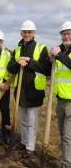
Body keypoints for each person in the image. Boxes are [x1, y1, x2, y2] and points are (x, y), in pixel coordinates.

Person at [7, 20, 51, 158]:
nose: (27, 34)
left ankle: (30, 148)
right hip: (20, 91)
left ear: (33, 33)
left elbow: (47, 69)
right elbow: (10, 67)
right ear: (21, 33)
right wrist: (17, 62)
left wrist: (30, 61)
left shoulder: (41, 48)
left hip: (34, 91)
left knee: (31, 121)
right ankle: (24, 142)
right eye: (24, 32)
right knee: (22, 120)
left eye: (29, 32)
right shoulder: (17, 49)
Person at [50, 21, 71, 168]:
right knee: (63, 135)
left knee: (68, 138)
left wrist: (59, 55)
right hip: (61, 100)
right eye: (64, 33)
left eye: (69, 33)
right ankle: (65, 159)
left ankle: (67, 163)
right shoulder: (62, 53)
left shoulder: (62, 54)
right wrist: (50, 58)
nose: (66, 36)